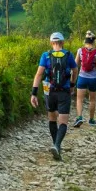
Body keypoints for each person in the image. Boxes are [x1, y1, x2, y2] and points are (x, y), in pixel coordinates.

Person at [30, 31, 78, 160]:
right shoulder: (68, 55)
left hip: (49, 91)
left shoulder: (45, 56)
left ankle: (55, 145)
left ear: (51, 43)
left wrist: (34, 93)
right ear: (62, 42)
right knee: (63, 121)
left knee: (52, 118)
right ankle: (57, 145)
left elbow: (39, 74)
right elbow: (75, 70)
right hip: (64, 91)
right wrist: (72, 85)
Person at [71, 31, 96, 128]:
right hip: (93, 79)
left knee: (79, 99)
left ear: (85, 41)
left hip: (82, 77)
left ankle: (79, 117)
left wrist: (72, 77)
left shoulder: (80, 51)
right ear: (94, 41)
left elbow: (75, 65)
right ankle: (91, 119)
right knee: (92, 100)